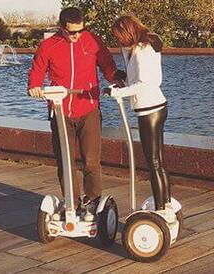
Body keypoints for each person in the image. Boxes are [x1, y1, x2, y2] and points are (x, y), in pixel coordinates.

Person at [27, 7, 124, 218]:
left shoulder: (93, 41)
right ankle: (72, 202)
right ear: (61, 28)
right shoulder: (48, 46)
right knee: (65, 160)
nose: (77, 35)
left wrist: (115, 78)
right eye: (72, 32)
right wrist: (34, 85)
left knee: (91, 160)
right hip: (60, 110)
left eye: (81, 30)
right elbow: (37, 69)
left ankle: (93, 200)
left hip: (88, 108)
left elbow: (107, 64)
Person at [103, 15, 171, 211]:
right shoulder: (138, 48)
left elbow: (144, 84)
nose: (118, 41)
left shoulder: (142, 51)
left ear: (127, 33)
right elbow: (138, 78)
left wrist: (118, 92)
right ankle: (165, 205)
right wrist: (122, 80)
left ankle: (160, 209)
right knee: (159, 161)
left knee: (154, 163)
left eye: (119, 37)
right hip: (155, 106)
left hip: (149, 110)